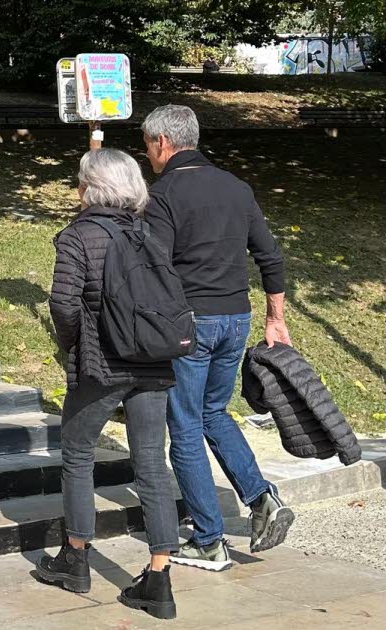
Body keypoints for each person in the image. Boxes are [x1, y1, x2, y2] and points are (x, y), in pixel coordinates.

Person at [142, 104, 293, 571]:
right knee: (214, 412)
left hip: (191, 323)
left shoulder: (163, 193)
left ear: (163, 143)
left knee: (184, 426)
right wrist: (275, 318)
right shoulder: (236, 186)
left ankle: (208, 540)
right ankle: (262, 497)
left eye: (147, 145)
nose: (147, 154)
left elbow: (155, 266)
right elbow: (270, 257)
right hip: (237, 317)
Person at [40, 148, 180, 620]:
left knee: (78, 455)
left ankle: (75, 558)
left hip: (101, 366)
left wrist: (71, 346)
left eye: (80, 180)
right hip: (154, 363)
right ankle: (158, 577)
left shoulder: (78, 236)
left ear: (90, 187)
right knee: (152, 467)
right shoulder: (149, 233)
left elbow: (63, 304)